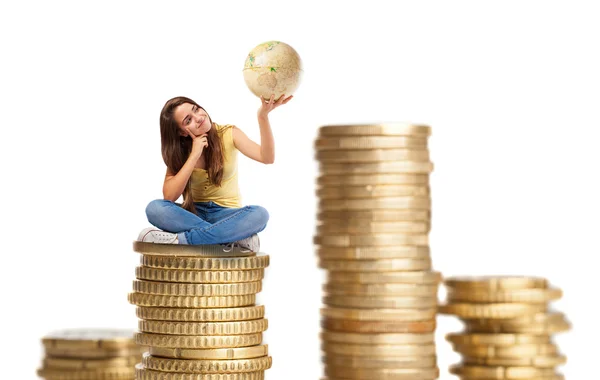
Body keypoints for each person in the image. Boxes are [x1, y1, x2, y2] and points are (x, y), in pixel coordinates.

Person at [138, 94, 292, 252]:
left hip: (227, 215)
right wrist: (193, 155)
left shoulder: (228, 133)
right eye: (188, 120)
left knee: (260, 215)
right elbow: (169, 197)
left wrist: (263, 116)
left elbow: (267, 157)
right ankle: (232, 237)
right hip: (192, 215)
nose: (198, 117)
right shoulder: (181, 151)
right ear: (181, 133)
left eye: (196, 109)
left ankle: (180, 240)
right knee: (155, 208)